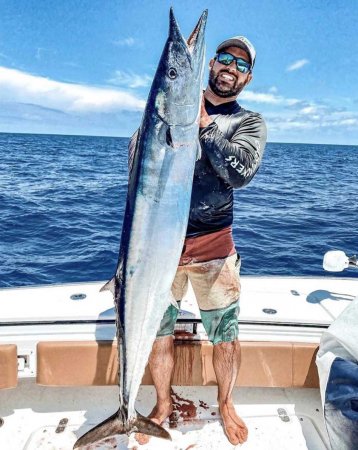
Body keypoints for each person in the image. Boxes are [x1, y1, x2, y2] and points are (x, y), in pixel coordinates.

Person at [138, 35, 267, 446]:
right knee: (159, 332)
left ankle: (226, 403)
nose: (231, 68)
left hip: (214, 247)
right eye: (226, 58)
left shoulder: (249, 123)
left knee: (225, 335)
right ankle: (161, 404)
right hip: (161, 247)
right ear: (211, 63)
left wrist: (204, 123)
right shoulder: (170, 112)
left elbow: (241, 173)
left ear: (247, 78)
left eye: (241, 65)